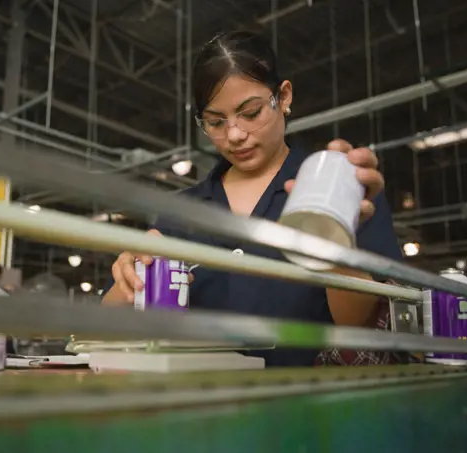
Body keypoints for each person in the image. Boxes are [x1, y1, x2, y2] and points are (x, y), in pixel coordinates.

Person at [102, 31, 403, 367]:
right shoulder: (183, 213)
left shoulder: (339, 192)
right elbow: (105, 324)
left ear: (284, 97)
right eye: (216, 122)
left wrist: (333, 237)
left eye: (251, 112)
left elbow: (359, 325)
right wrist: (129, 271)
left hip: (312, 409)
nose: (234, 134)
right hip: (203, 407)